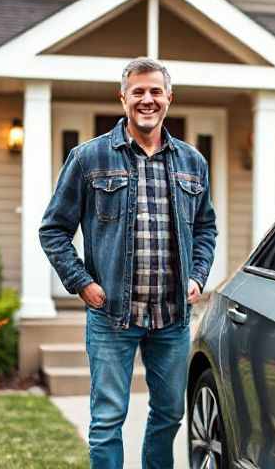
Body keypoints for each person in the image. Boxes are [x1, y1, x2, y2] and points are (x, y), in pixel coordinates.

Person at [39, 57, 217, 469]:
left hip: (172, 316)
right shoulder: (89, 158)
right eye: (138, 91)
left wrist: (197, 275)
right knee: (107, 420)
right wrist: (82, 283)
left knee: (170, 413)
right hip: (111, 315)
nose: (147, 99)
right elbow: (53, 229)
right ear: (123, 99)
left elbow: (206, 227)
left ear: (169, 98)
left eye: (155, 91)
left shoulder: (193, 162)